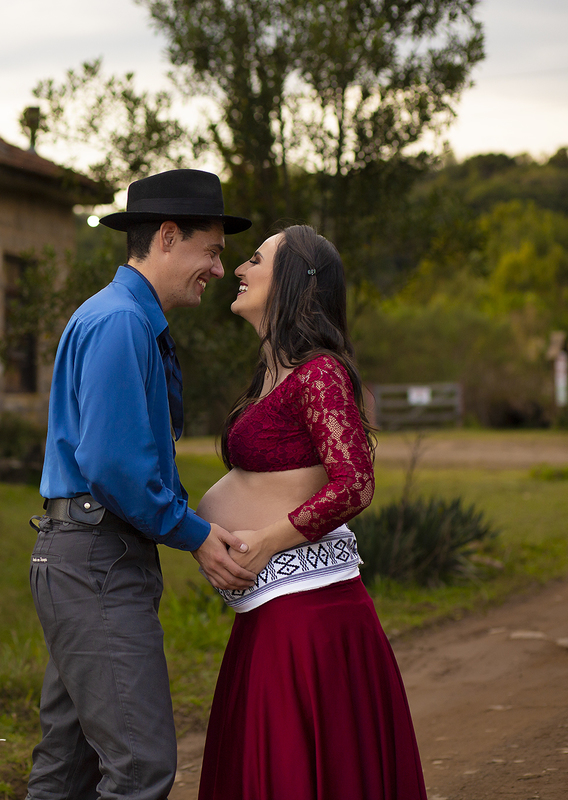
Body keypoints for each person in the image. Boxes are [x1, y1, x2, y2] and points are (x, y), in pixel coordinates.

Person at [28, 169, 255, 800]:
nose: (217, 268)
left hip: (89, 555)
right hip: (96, 560)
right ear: (168, 235)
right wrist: (197, 534)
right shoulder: (121, 322)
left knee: (67, 769)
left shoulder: (127, 318)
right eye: (210, 251)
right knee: (140, 766)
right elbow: (115, 464)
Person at [195, 224, 426, 799]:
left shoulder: (319, 373)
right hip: (270, 608)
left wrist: (268, 540)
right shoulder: (272, 376)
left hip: (309, 617)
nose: (237, 270)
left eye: (255, 260)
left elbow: (355, 483)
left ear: (293, 283)